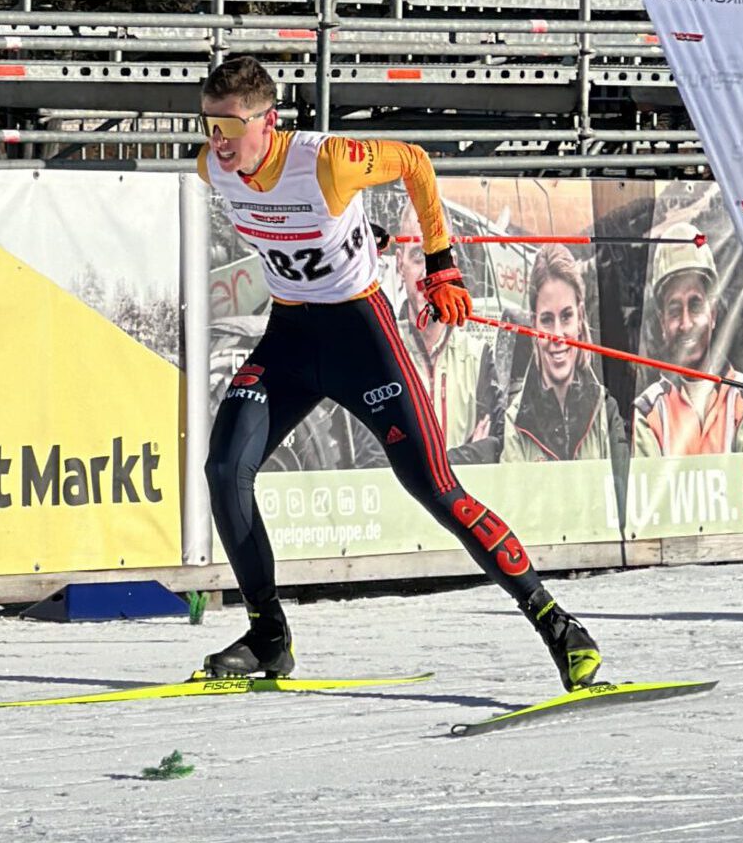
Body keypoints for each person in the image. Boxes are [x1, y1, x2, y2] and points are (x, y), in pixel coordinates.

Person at [197, 55, 601, 691]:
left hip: (361, 337)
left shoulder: (324, 159)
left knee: (434, 487)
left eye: (227, 126)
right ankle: (269, 635)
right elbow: (301, 229)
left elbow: (413, 160)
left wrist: (440, 265)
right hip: (291, 340)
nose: (215, 143)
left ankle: (559, 625)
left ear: (268, 122)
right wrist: (358, 233)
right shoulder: (213, 169)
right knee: (224, 469)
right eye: (207, 125)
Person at [632, 222, 743, 456]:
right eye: (674, 310)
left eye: (695, 306)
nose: (686, 324)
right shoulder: (649, 412)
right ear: (663, 323)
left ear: (712, 314)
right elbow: (651, 492)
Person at [389, 203, 505, 464]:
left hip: (461, 505)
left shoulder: (478, 356)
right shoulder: (381, 353)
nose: (429, 273)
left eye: (439, 258)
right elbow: (372, 462)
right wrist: (465, 457)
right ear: (400, 264)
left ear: (452, 265)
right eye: (419, 256)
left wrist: (416, 464)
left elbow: (497, 449)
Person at [503, 243, 627, 463]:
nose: (558, 335)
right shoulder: (515, 420)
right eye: (547, 320)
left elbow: (620, 493)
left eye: (566, 316)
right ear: (534, 326)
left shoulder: (605, 410)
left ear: (580, 319)